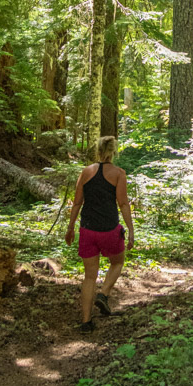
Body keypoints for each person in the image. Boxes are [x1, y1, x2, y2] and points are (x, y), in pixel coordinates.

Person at [64, 134, 135, 332]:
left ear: (98, 151)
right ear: (113, 152)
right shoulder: (119, 173)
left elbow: (77, 202)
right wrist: (130, 230)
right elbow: (122, 203)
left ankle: (86, 322)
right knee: (118, 262)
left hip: (87, 230)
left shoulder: (86, 172)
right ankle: (103, 294)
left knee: (89, 277)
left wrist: (70, 228)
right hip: (110, 229)